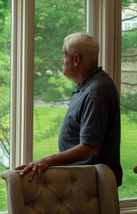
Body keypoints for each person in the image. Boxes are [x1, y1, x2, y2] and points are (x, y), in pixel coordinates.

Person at [16, 32, 122, 187]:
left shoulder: (96, 91)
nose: (62, 60)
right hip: (83, 180)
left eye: (64, 55)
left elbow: (89, 148)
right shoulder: (88, 86)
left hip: (91, 185)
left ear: (76, 59)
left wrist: (46, 161)